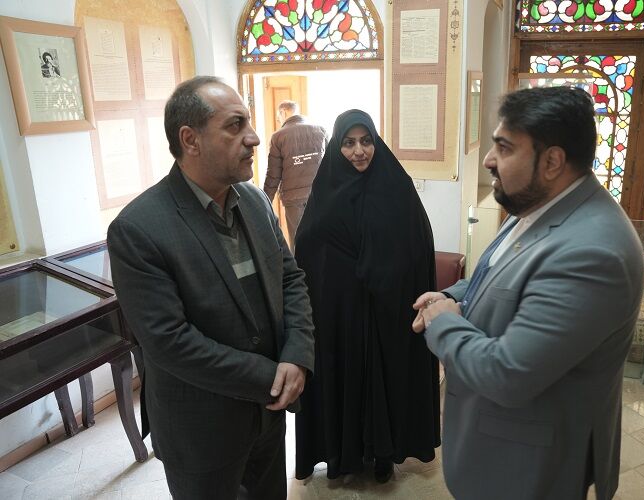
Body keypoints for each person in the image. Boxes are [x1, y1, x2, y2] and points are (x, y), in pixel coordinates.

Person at [412, 87, 644, 500]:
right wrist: (451, 295)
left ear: (552, 161)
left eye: (504, 147)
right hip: (496, 445)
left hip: (527, 465)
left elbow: (508, 374)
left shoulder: (592, 252)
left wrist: (443, 321)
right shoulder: (539, 205)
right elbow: (500, 275)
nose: (488, 159)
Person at [107, 76, 315, 500]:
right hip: (201, 430)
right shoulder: (138, 228)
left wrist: (297, 355)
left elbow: (290, 278)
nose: (253, 138)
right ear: (191, 140)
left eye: (249, 123)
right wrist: (271, 376)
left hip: (267, 417)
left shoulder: (255, 201)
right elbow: (169, 341)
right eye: (235, 126)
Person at [294, 109, 441, 484]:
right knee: (345, 378)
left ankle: (383, 454)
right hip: (340, 313)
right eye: (348, 143)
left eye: (366, 141)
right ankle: (344, 454)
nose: (358, 151)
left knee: (383, 382)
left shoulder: (396, 187)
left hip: (386, 310)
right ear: (336, 146)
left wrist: (383, 272)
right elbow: (308, 247)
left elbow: (418, 244)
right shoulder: (325, 191)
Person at [263, 100, 327, 252]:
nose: (279, 120)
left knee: (298, 243)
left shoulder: (278, 136)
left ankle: (302, 268)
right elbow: (330, 165)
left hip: (294, 201)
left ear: (283, 112)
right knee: (323, 240)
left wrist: (264, 201)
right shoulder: (321, 130)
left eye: (278, 117)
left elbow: (273, 175)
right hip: (320, 196)